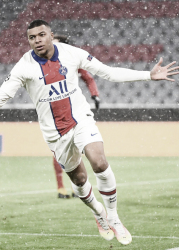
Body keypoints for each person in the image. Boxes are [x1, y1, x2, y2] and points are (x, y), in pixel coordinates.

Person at [0, 19, 179, 245]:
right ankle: (98, 212)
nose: (37, 40)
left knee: (99, 162)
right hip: (55, 135)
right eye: (32, 37)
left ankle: (114, 217)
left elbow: (107, 72)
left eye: (42, 35)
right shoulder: (24, 66)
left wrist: (148, 75)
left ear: (51, 36)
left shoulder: (70, 53)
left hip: (81, 121)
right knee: (80, 180)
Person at [52, 34, 100, 199]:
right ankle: (60, 188)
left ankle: (75, 185)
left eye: (55, 44)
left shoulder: (71, 60)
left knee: (77, 150)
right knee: (60, 151)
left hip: (74, 112)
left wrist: (95, 95)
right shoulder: (43, 63)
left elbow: (87, 77)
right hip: (55, 114)